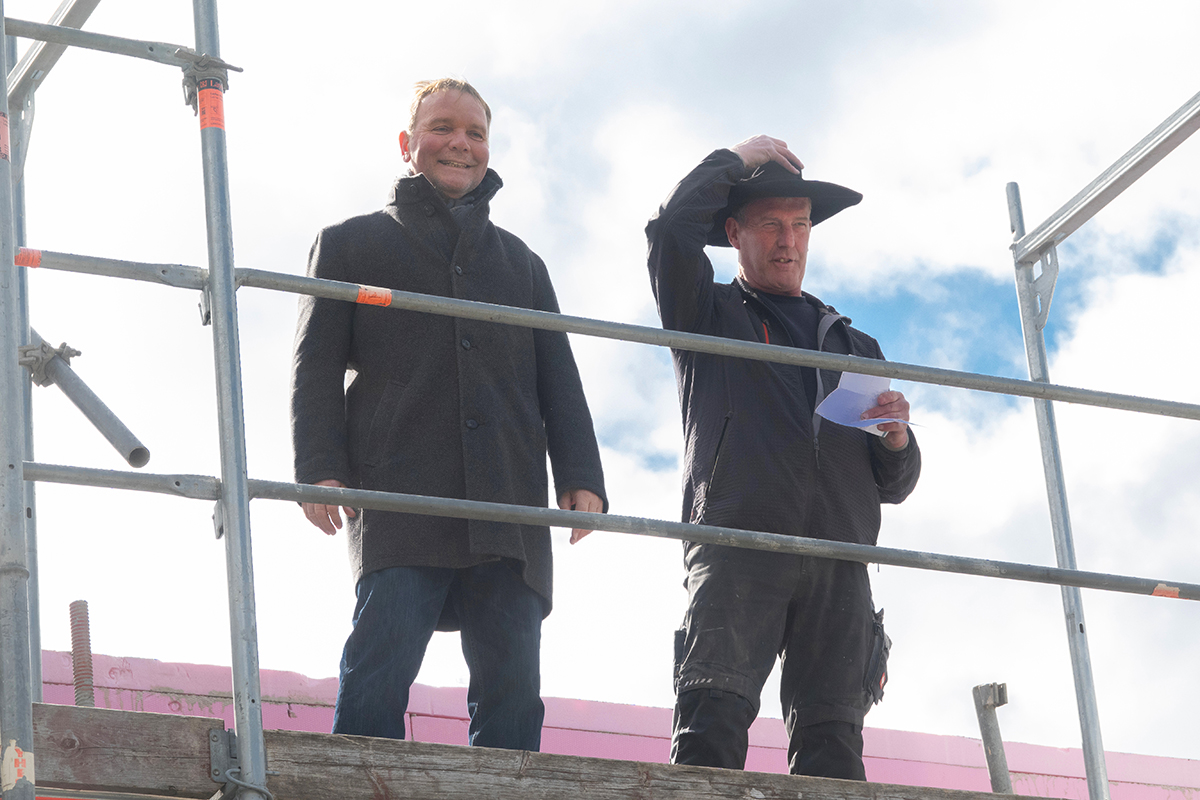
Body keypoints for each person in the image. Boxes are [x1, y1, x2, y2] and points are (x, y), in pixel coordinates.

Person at [291, 78, 607, 751]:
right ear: (408, 145)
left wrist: (581, 475)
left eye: (475, 133)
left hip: (509, 504)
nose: (460, 144)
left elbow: (560, 377)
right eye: (442, 128)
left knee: (513, 691)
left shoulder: (523, 264)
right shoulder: (349, 244)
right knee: (379, 668)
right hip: (400, 493)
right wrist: (318, 467)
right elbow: (314, 366)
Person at [646, 135, 921, 779]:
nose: (788, 239)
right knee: (709, 728)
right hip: (738, 548)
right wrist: (735, 158)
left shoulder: (855, 344)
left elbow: (896, 484)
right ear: (734, 232)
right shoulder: (705, 314)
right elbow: (669, 229)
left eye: (800, 225)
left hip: (840, 562)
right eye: (770, 223)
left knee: (833, 750)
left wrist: (898, 440)